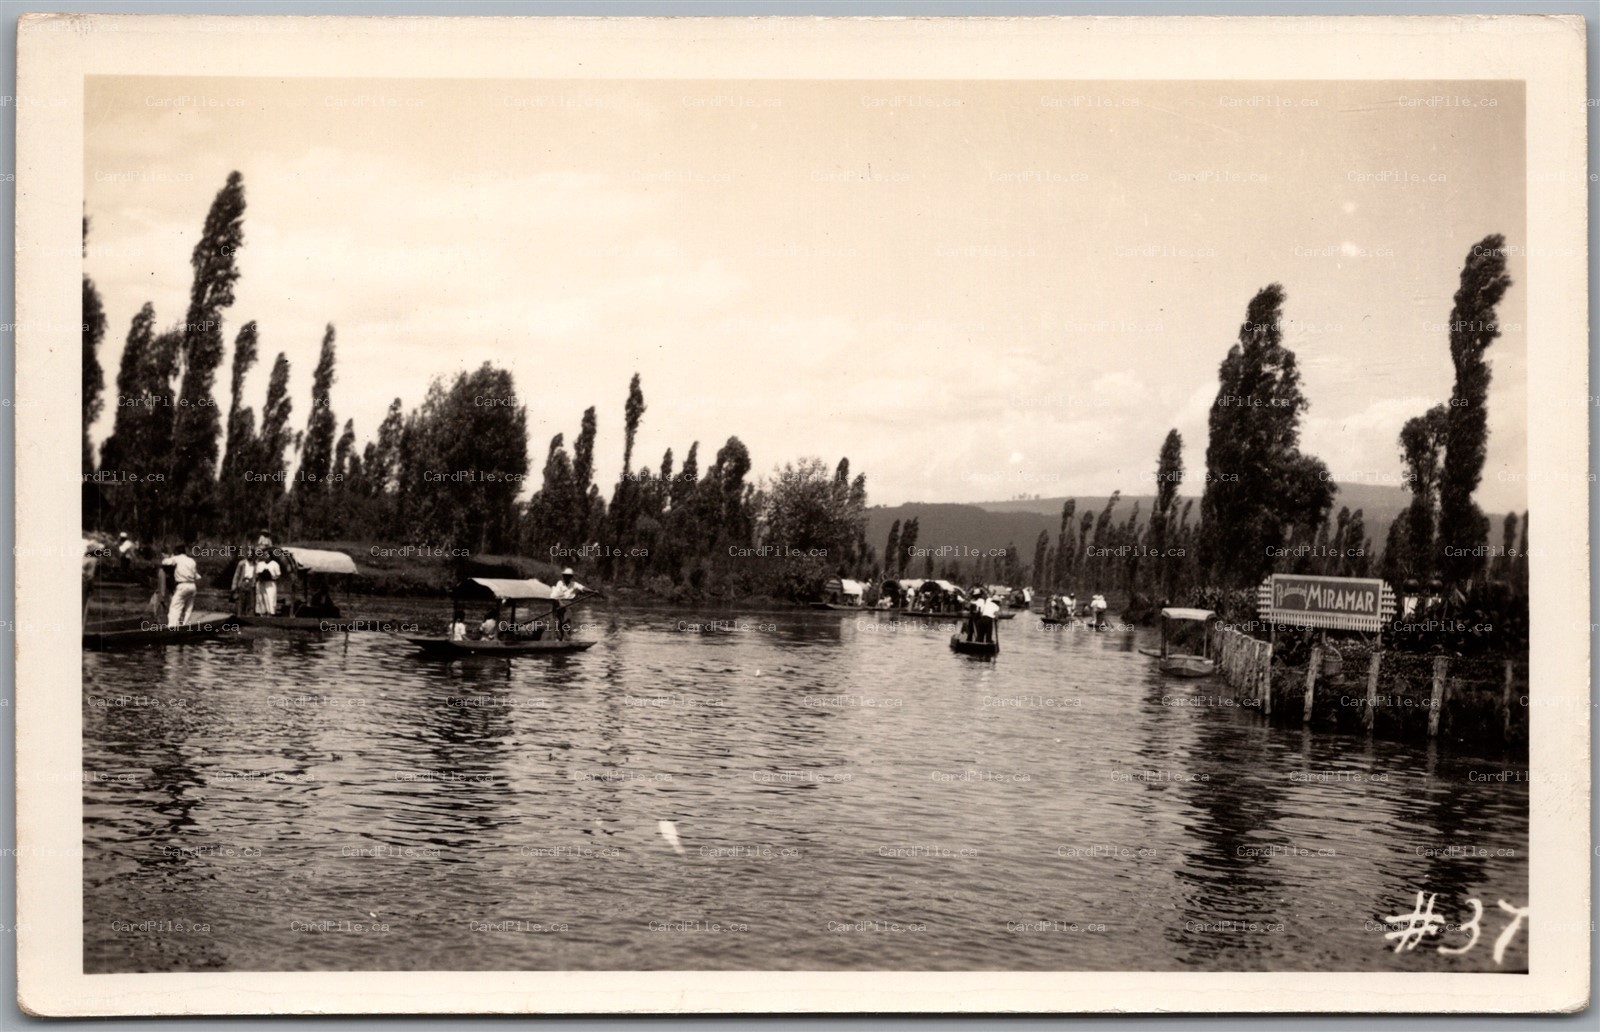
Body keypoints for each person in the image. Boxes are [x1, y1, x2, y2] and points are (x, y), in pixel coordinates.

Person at [161, 541, 201, 627]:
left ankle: (172, 626)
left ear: (176, 552)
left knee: (175, 607)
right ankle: (185, 625)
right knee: (188, 608)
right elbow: (197, 576)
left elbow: (165, 562)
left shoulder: (176, 558)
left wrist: (171, 557)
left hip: (182, 585)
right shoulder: (192, 560)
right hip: (192, 585)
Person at [550, 567, 581, 640]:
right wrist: (560, 603)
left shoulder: (574, 584)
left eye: (568, 576)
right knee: (558, 622)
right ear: (563, 576)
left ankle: (566, 638)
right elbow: (555, 595)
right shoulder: (559, 583)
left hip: (568, 604)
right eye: (565, 575)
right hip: (558, 603)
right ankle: (559, 638)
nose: (566, 577)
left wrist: (593, 591)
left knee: (567, 621)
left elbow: (582, 588)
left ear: (571, 577)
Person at [254, 547, 281, 618]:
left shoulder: (275, 564)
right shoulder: (260, 564)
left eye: (266, 555)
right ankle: (262, 613)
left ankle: (271, 613)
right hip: (261, 582)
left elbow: (278, 575)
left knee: (270, 598)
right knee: (261, 598)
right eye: (264, 555)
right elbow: (257, 573)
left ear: (270, 556)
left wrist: (271, 577)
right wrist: (260, 577)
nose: (264, 557)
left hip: (270, 583)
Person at [230, 548, 258, 616]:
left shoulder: (256, 564)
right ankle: (240, 616)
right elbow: (237, 574)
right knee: (241, 601)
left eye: (251, 554)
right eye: (248, 554)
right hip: (242, 582)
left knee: (250, 602)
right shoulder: (242, 563)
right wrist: (234, 585)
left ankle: (249, 617)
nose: (249, 555)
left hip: (251, 583)